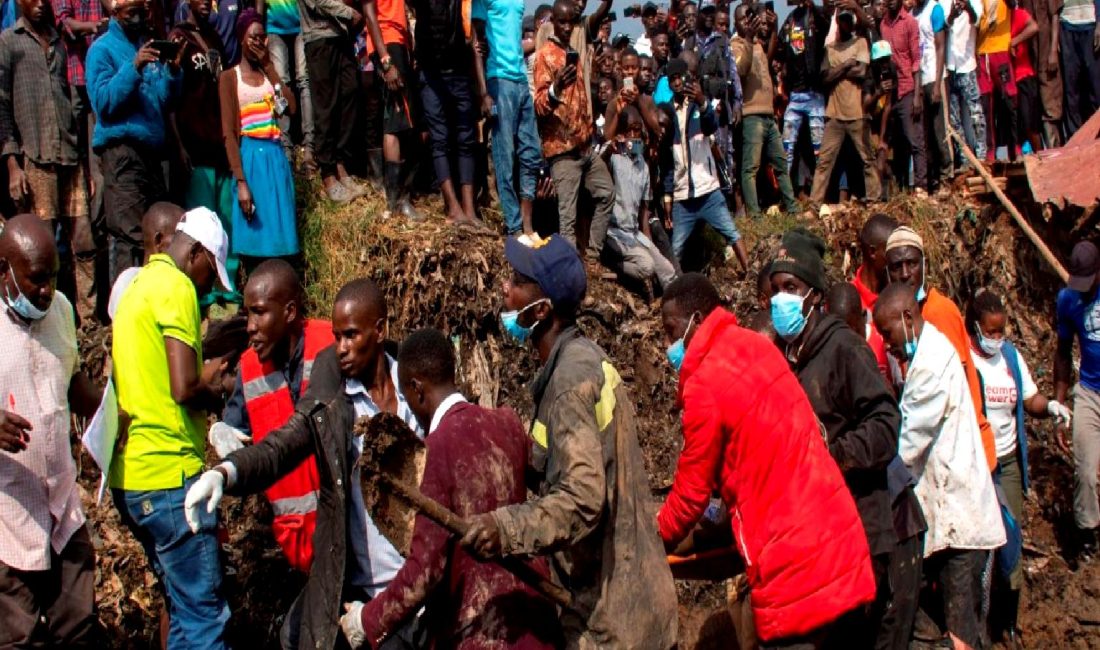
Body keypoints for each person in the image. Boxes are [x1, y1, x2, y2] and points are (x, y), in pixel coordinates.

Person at [459, 234, 679, 648]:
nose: (505, 289)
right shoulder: (586, 357)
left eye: (516, 281)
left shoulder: (567, 384)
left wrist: (505, 528)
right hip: (641, 597)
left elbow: (582, 499)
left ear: (541, 310)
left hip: (611, 623)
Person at [185, 278, 425, 649]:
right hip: (366, 595)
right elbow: (280, 447)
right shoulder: (334, 402)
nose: (341, 348)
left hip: (422, 589)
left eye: (351, 336)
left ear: (379, 330)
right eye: (337, 337)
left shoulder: (417, 390)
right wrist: (226, 472)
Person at [658, 271, 876, 647]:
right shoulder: (754, 347)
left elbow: (690, 496)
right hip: (838, 540)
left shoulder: (704, 386)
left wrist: (654, 535)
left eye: (671, 331)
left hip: (793, 567)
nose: (668, 344)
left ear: (696, 320)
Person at [345, 328, 563, 648]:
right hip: (537, 619)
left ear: (417, 389)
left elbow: (425, 569)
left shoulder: (435, 451)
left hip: (484, 630)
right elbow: (553, 491)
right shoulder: (507, 422)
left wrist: (366, 620)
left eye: (407, 397)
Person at [109, 206, 233, 650]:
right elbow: (183, 387)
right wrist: (218, 391)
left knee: (182, 612)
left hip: (132, 479)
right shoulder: (176, 286)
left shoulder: (135, 287)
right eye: (210, 273)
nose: (207, 286)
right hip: (169, 478)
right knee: (205, 619)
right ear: (195, 253)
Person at [769, 230, 900, 647]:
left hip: (859, 535)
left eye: (791, 288)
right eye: (776, 288)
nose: (781, 298)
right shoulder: (786, 358)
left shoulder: (843, 349)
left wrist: (832, 455)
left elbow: (886, 425)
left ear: (815, 295)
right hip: (816, 541)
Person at [872, 282, 1005, 650]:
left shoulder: (931, 364)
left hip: (960, 521)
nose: (886, 343)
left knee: (960, 632)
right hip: (946, 517)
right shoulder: (925, 357)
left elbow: (907, 446)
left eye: (887, 332)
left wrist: (872, 497)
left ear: (907, 317)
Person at [0, 215, 103, 648]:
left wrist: (112, 411)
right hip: (9, 518)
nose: (46, 291)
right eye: (36, 279)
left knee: (78, 626)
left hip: (62, 504)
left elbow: (71, 379)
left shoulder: (60, 310)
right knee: (17, 638)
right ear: (4, 270)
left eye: (54, 277)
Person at [211, 260, 332, 574]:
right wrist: (221, 432)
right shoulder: (250, 368)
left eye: (259, 312)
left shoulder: (331, 346)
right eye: (248, 313)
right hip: (296, 537)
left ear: (289, 312)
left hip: (346, 523)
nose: (250, 326)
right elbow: (236, 428)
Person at [966, 288, 1070, 643]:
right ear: (976, 327)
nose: (997, 338)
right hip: (979, 463)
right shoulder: (966, 360)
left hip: (1008, 461)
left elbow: (1029, 398)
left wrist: (1050, 407)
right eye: (990, 332)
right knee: (980, 544)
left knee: (1010, 538)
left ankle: (1007, 621)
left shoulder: (1009, 357)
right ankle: (977, 620)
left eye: (1001, 331)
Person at [0, 0, 95, 319]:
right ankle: (47, 316)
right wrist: (12, 164)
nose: (40, 4)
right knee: (41, 245)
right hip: (35, 155)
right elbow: (2, 106)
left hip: (69, 154)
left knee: (83, 240)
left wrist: (84, 163)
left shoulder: (58, 41)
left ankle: (88, 318)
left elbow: (70, 102)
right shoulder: (9, 42)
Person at [885, 225, 997, 469]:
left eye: (912, 264)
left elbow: (957, 389)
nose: (905, 274)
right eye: (896, 267)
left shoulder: (938, 312)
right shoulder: (898, 320)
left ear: (924, 265)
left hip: (965, 450)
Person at [85, 0, 178, 282]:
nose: (138, 18)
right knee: (129, 236)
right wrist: (134, 66)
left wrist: (173, 72)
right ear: (115, 12)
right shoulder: (101, 49)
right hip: (122, 152)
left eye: (143, 11)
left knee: (156, 234)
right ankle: (125, 303)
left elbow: (163, 100)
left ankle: (152, 298)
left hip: (152, 154)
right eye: (132, 12)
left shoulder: (147, 47)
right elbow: (104, 102)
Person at [169, 0, 239, 301]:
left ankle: (228, 291)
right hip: (195, 145)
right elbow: (171, 99)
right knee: (200, 227)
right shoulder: (178, 37)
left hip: (219, 145)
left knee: (225, 223)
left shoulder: (215, 38)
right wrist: (179, 146)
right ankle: (202, 295)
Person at [533, 0, 615, 258]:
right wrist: (555, 88)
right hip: (562, 152)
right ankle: (570, 272)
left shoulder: (573, 53)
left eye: (571, 22)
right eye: (562, 22)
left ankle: (593, 255)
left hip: (584, 147)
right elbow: (539, 106)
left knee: (607, 193)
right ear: (554, 23)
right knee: (567, 221)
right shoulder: (545, 56)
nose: (567, 27)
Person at [218, 11, 300, 264]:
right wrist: (241, 181)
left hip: (275, 159)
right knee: (254, 241)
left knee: (280, 238)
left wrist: (269, 66)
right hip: (250, 159)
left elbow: (290, 108)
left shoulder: (268, 76)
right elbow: (229, 134)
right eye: (252, 37)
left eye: (262, 37)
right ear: (241, 39)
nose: (258, 42)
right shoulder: (230, 78)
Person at [659, 56, 748, 271]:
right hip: (683, 196)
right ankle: (671, 284)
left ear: (687, 77)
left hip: (707, 189)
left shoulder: (699, 105)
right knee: (676, 248)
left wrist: (702, 102)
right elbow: (668, 161)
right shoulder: (668, 112)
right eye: (672, 79)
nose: (677, 83)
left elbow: (711, 126)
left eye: (679, 77)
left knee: (731, 233)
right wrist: (668, 196)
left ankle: (749, 271)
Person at [471, 0, 542, 235]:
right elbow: (476, 42)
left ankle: (527, 221)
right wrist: (483, 92)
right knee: (505, 154)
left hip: (520, 79)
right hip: (498, 77)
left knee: (531, 153)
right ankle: (514, 226)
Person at [406, 0, 479, 224]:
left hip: (459, 69)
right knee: (440, 139)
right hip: (432, 73)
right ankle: (453, 208)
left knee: (466, 139)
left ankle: (469, 210)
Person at [1054, 240, 1100, 561]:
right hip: (1089, 392)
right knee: (1084, 471)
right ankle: (1087, 537)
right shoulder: (1068, 300)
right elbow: (1062, 353)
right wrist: (1059, 406)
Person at [808, 8, 881, 207]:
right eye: (842, 20)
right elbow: (824, 78)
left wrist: (837, 71)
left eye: (849, 20)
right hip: (834, 113)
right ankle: (814, 204)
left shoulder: (860, 42)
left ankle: (874, 200)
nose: (846, 23)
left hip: (857, 112)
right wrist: (846, 65)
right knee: (824, 161)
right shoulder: (830, 49)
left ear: (853, 22)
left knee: (867, 158)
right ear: (838, 22)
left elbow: (861, 71)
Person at [733, 4, 799, 219]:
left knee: (780, 162)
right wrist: (748, 39)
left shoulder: (756, 44)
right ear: (736, 23)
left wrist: (773, 29)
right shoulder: (735, 45)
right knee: (750, 168)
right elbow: (741, 70)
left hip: (768, 115)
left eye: (750, 17)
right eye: (743, 19)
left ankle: (792, 208)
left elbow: (769, 57)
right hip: (751, 115)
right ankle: (755, 215)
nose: (748, 21)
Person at [605, 105, 678, 296]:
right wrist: (613, 144)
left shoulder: (643, 167)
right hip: (613, 232)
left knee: (667, 270)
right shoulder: (613, 159)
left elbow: (644, 212)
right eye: (628, 131)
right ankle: (611, 264)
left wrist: (649, 243)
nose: (632, 136)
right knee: (647, 267)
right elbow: (601, 156)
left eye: (636, 130)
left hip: (633, 233)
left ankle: (672, 303)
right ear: (622, 134)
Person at [300, 0, 366, 203]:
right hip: (319, 38)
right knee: (325, 106)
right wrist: (349, 12)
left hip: (341, 36)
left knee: (349, 92)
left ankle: (339, 161)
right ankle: (328, 173)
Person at [363, 0, 422, 221]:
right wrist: (385, 60)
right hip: (387, 44)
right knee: (395, 122)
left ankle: (399, 199)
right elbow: (369, 14)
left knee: (403, 121)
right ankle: (397, 201)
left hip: (399, 43)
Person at [257, 0, 315, 169]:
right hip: (274, 27)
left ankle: (309, 146)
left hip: (302, 24)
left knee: (304, 80)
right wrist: (260, 32)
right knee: (279, 84)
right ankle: (285, 146)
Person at [106, 201, 185, 321]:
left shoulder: (125, 279)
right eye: (179, 239)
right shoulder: (169, 286)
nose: (184, 246)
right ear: (159, 240)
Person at [879, 0, 927, 195]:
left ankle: (921, 186)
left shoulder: (910, 22)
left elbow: (916, 61)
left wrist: (917, 95)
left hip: (907, 88)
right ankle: (901, 187)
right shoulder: (883, 25)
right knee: (898, 143)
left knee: (915, 139)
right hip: (891, 92)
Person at [778, 0, 829, 177]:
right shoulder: (790, 18)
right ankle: (785, 191)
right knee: (786, 147)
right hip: (795, 94)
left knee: (819, 149)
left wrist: (811, 6)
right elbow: (780, 44)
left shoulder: (816, 14)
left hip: (814, 93)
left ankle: (822, 191)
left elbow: (826, 25)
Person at [851, 213, 896, 382]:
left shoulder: (900, 296)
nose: (897, 257)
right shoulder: (849, 303)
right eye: (891, 251)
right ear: (872, 252)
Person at [943, 0, 987, 164]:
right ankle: (965, 159)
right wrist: (952, 15)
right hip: (950, 66)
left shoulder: (974, 1)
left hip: (967, 65)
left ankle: (981, 156)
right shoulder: (945, 2)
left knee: (976, 113)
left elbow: (977, 20)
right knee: (954, 119)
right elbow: (944, 25)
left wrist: (967, 7)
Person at [912, 0, 948, 187]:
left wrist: (937, 84)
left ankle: (946, 175)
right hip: (920, 79)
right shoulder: (913, 13)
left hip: (934, 77)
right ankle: (933, 179)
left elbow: (940, 46)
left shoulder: (934, 9)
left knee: (939, 130)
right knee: (925, 134)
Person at [977, 0, 1017, 159]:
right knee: (986, 105)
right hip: (981, 53)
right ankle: (990, 152)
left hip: (1001, 50)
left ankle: (1015, 149)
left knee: (1009, 101)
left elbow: (1013, 4)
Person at [1057, 0, 1100, 136]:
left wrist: (1099, 25)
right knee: (1071, 87)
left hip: (1090, 24)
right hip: (1066, 25)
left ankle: (1097, 132)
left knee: (1095, 85)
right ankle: (1074, 135)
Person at [1009, 0, 1042, 153]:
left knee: (1030, 123)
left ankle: (1040, 156)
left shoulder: (1018, 14)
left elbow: (1034, 27)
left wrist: (1015, 41)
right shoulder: (996, 23)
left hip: (1023, 75)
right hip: (1007, 80)